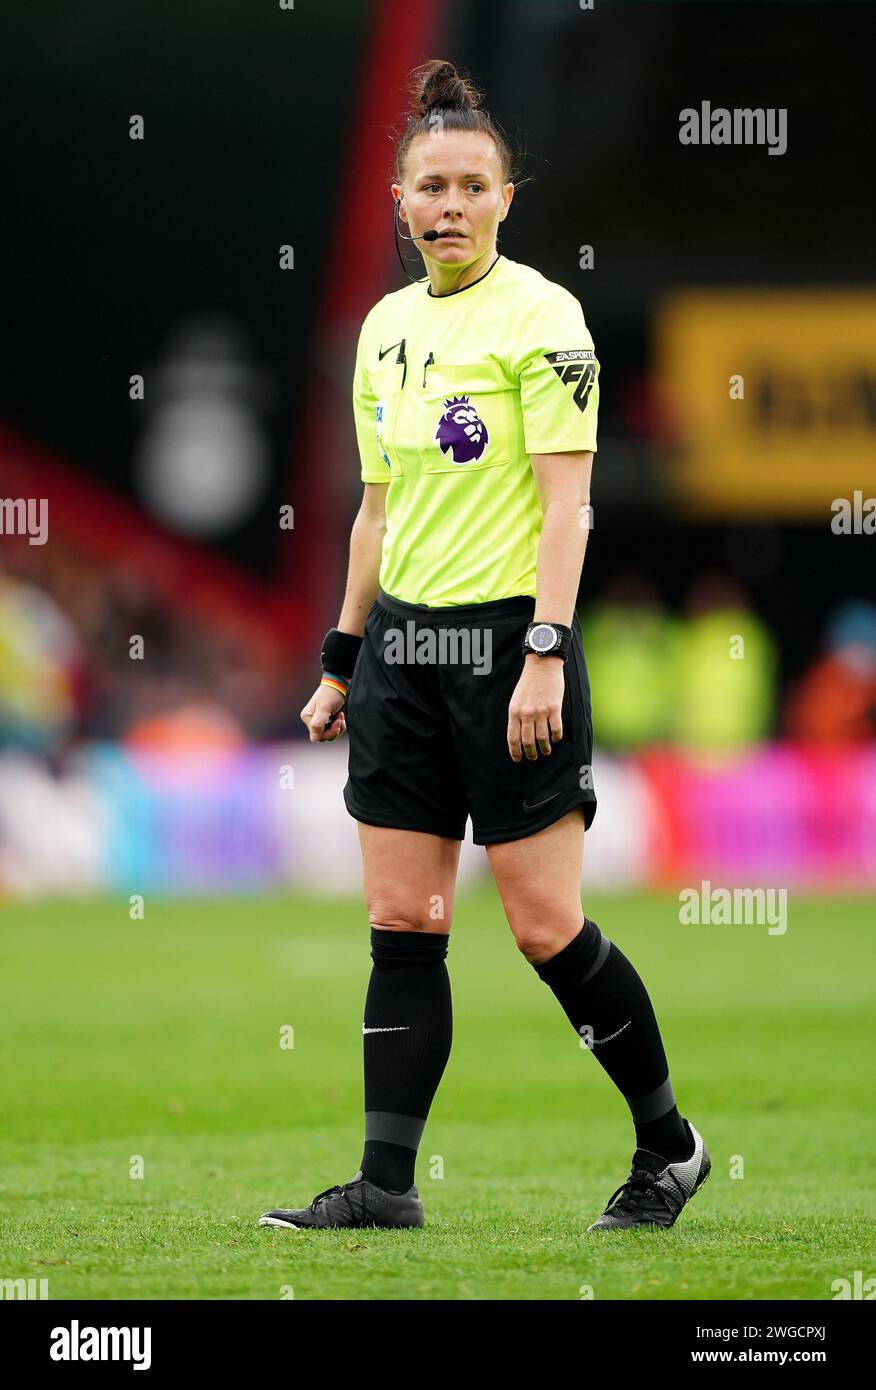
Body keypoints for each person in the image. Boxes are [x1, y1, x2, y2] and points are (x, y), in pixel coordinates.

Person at [260, 59, 709, 1234]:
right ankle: (387, 1187)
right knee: (405, 923)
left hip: (511, 645)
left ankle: (669, 1147)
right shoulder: (384, 329)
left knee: (544, 925)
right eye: (429, 187)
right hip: (403, 656)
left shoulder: (546, 318)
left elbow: (571, 505)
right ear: (399, 204)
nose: (449, 206)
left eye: (472, 185)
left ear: (506, 199)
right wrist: (341, 659)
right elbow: (378, 510)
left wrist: (547, 653)